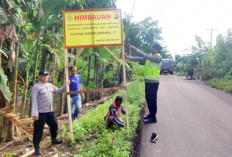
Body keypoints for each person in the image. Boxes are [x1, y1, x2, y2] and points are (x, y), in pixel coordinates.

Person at [125, 43, 162, 124]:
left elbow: (145, 56)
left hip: (153, 83)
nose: (151, 49)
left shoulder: (157, 57)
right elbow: (141, 58)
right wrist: (129, 58)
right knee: (148, 99)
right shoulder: (151, 56)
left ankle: (153, 118)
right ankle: (150, 114)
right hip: (148, 81)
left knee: (152, 100)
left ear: (157, 49)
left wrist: (135, 49)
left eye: (153, 48)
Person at [31, 70, 66, 155]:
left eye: (46, 75)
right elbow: (34, 101)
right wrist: (35, 113)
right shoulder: (36, 87)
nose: (45, 77)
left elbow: (58, 91)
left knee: (54, 124)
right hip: (40, 112)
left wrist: (66, 85)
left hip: (49, 111)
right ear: (39, 77)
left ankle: (54, 139)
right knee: (38, 130)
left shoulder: (50, 85)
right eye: (43, 75)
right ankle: (36, 146)